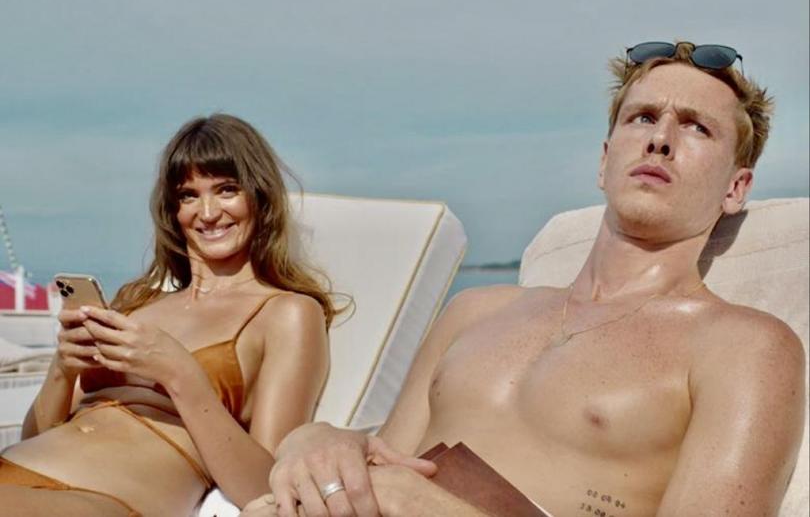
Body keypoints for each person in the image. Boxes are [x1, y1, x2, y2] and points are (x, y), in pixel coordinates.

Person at [259, 42, 807, 517]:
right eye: (642, 117)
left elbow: (405, 493)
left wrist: (432, 508)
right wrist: (318, 441)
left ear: (736, 188)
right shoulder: (475, 310)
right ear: (604, 161)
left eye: (696, 127)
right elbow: (389, 459)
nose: (660, 139)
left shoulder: (743, 346)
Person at [0, 114, 336, 516]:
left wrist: (179, 374)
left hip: (102, 499)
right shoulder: (136, 302)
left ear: (260, 195)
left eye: (227, 190)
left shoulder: (288, 313)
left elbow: (265, 488)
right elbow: (33, 437)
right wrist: (63, 367)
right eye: (189, 196)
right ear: (173, 210)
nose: (207, 213)